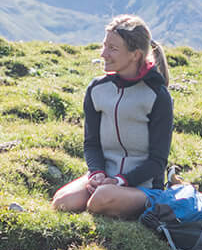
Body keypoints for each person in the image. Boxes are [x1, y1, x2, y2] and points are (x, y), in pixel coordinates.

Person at [52, 14, 173, 220]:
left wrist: (120, 181)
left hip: (142, 187)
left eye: (113, 48)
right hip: (104, 181)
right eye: (104, 45)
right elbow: (91, 144)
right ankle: (105, 197)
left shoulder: (157, 96)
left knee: (101, 199)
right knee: (62, 202)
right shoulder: (97, 89)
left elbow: (157, 161)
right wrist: (96, 172)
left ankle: (134, 203)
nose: (103, 54)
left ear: (135, 55)